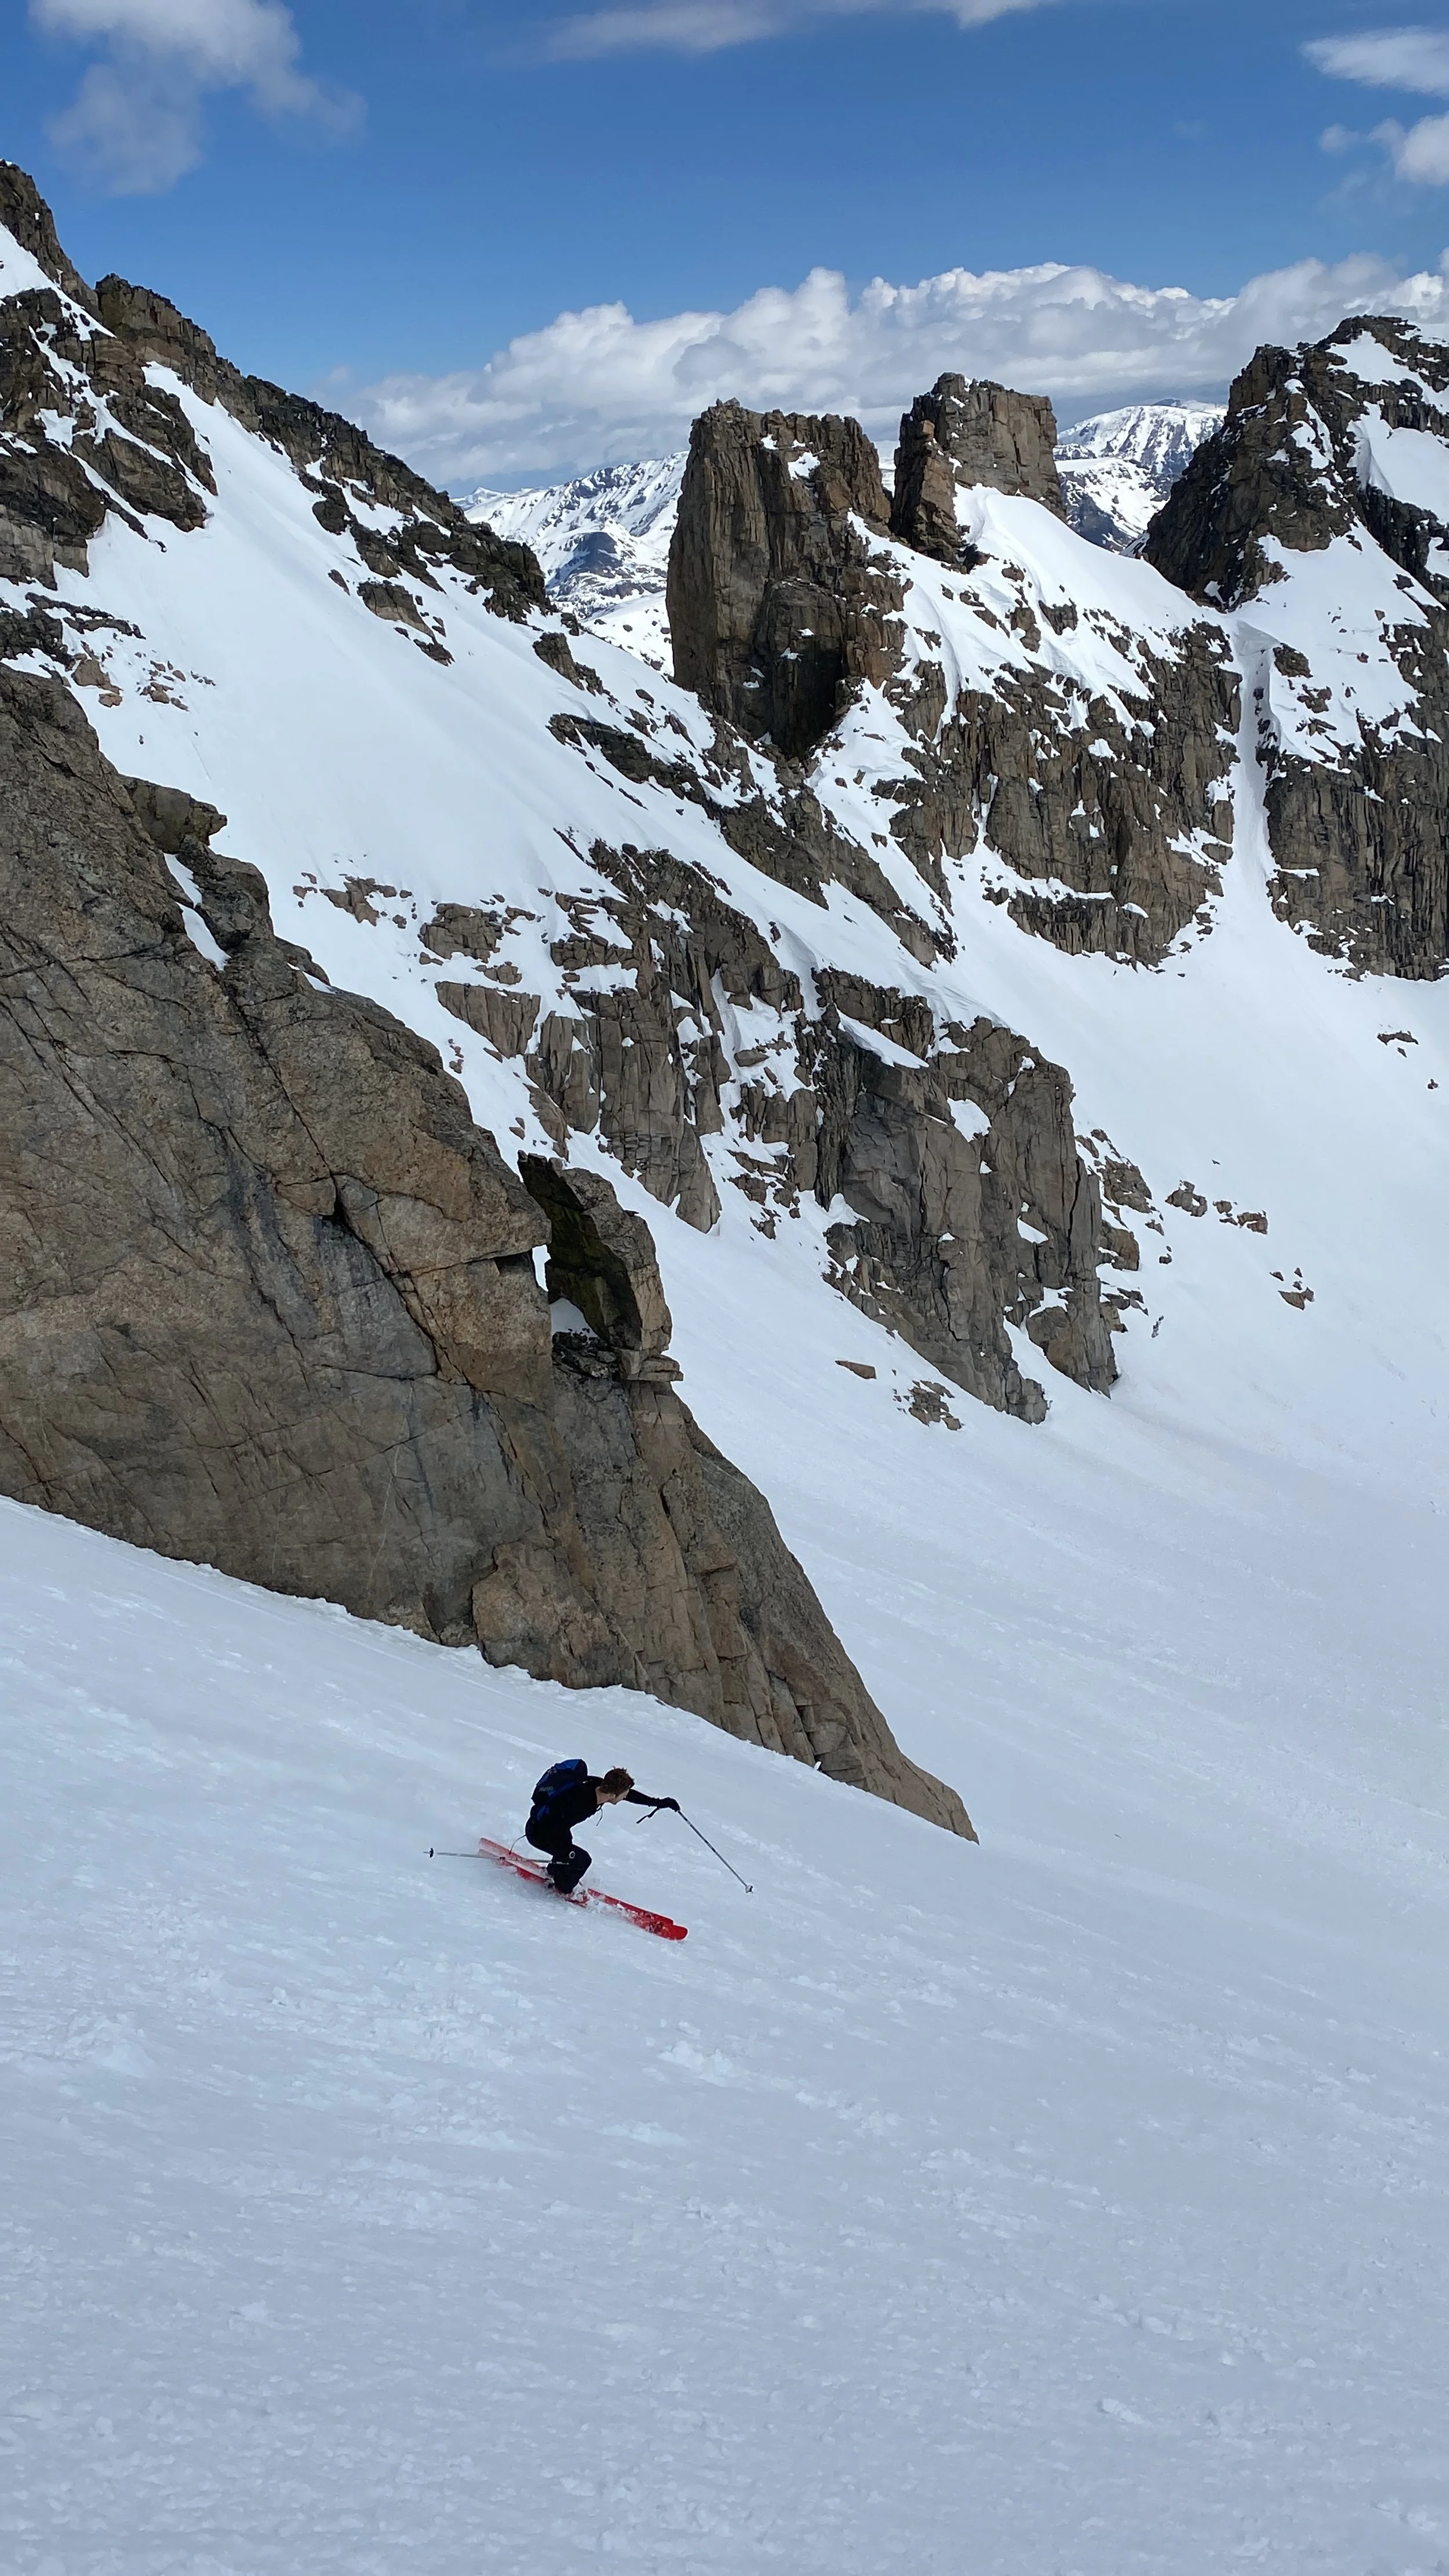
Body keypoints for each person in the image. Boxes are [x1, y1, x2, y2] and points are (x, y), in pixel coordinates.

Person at [525, 1762, 678, 1895]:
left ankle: (554, 1873)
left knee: (570, 1852)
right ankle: (562, 1889)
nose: (626, 1797)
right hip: (539, 1833)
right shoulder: (581, 1804)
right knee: (582, 1861)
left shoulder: (598, 1785)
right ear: (613, 1795)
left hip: (548, 1827)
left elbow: (632, 1796)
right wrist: (566, 1852)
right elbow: (556, 1825)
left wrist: (660, 1803)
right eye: (623, 1795)